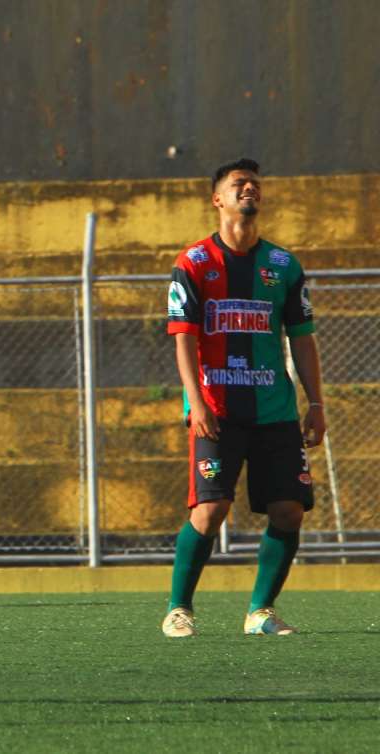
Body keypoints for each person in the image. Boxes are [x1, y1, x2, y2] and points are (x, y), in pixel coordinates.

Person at [163, 157, 326, 638]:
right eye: (239, 184)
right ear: (218, 199)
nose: (249, 189)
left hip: (273, 408)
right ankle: (178, 609)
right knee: (209, 511)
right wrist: (196, 404)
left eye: (255, 184)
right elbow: (183, 338)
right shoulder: (193, 262)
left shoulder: (282, 265)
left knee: (289, 509)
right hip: (216, 410)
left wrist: (315, 404)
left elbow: (302, 337)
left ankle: (260, 612)